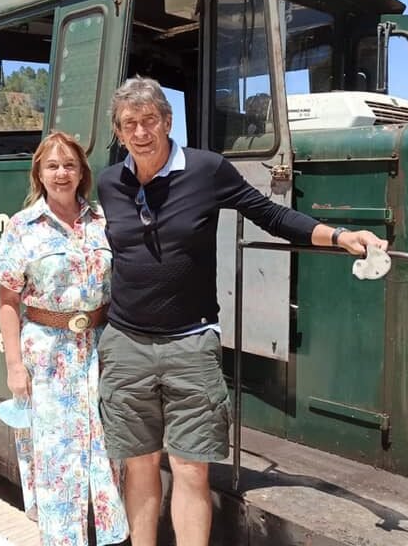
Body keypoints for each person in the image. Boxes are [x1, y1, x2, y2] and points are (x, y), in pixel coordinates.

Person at [96, 77, 388, 546]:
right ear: (119, 131)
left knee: (191, 467)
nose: (140, 131)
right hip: (126, 344)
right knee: (140, 462)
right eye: (129, 124)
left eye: (149, 120)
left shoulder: (207, 170)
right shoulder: (111, 182)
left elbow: (271, 215)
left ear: (167, 122)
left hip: (190, 344)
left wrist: (340, 236)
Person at [0, 131, 129, 546]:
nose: (61, 173)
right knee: (55, 459)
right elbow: (9, 300)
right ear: (40, 172)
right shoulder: (22, 227)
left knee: (107, 454)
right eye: (52, 166)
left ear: (82, 172)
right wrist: (15, 367)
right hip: (47, 356)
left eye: (69, 165)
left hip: (101, 352)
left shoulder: (104, 221)